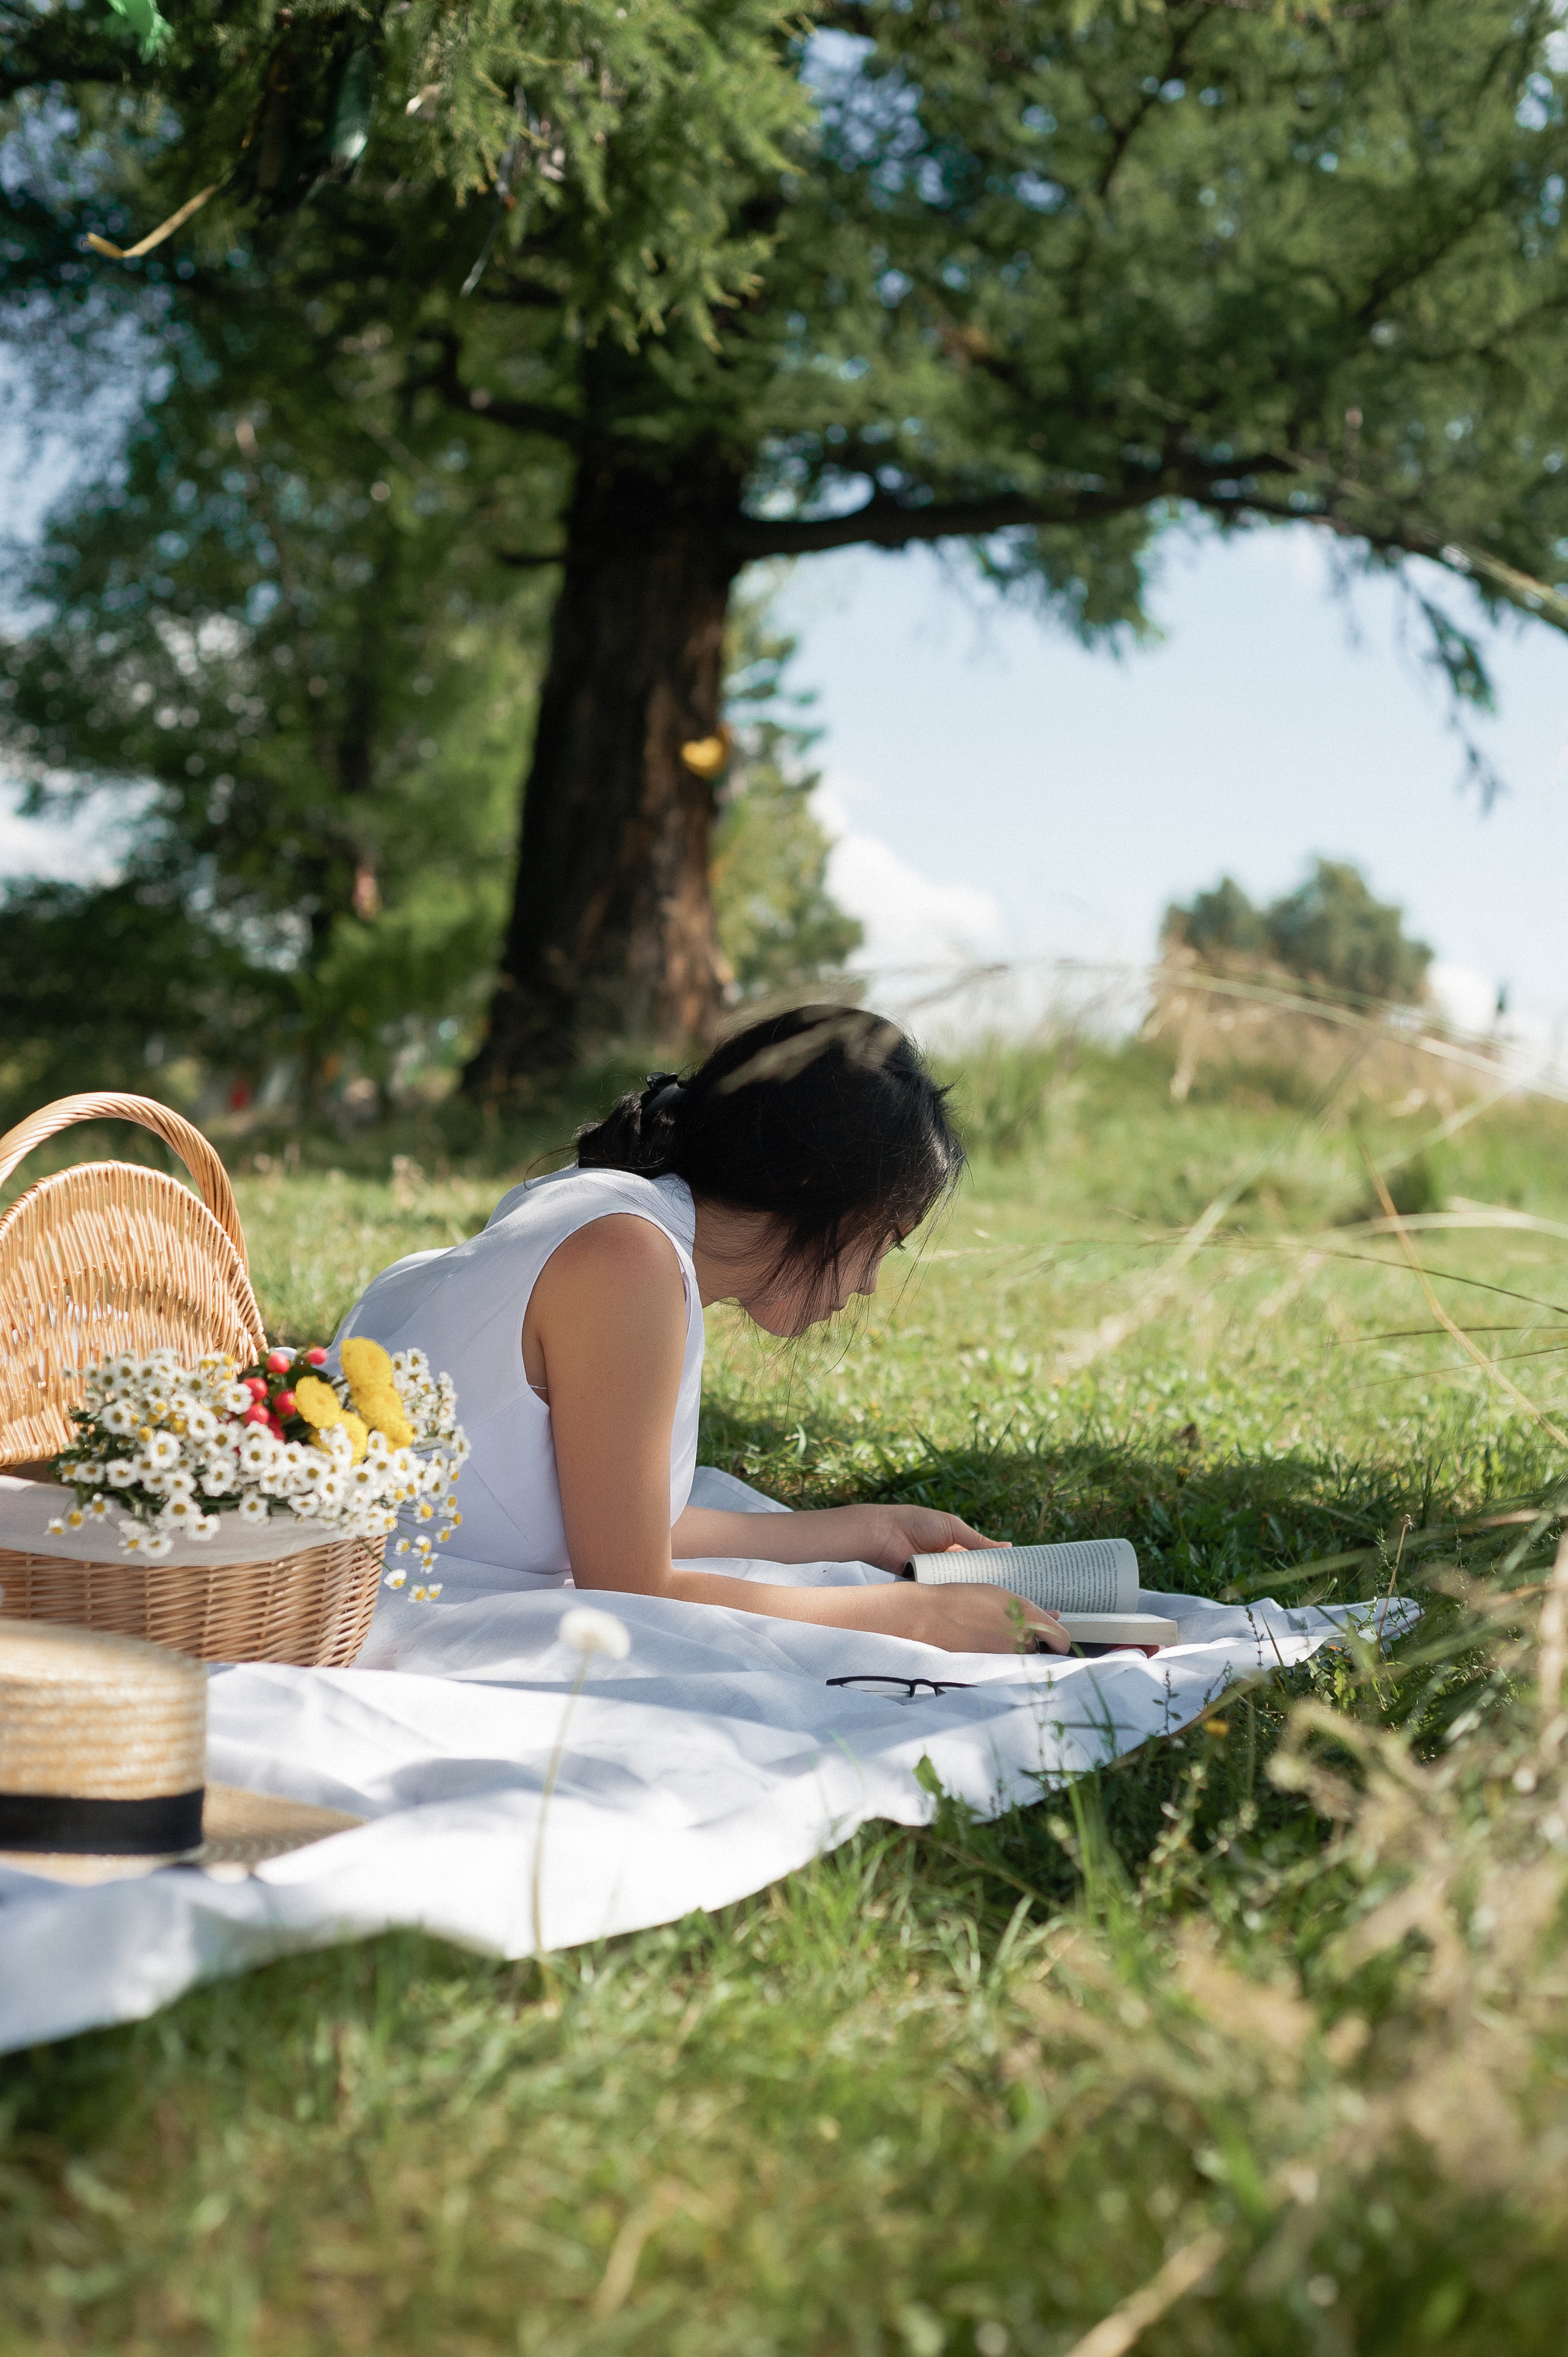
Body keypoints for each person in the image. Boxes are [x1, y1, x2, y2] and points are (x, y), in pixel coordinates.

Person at [338, 1004, 1066, 1654]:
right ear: (812, 1189)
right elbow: (630, 1587)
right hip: (346, 1596)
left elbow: (620, 1520)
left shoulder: (628, 1226)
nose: (871, 1280)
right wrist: (914, 1617)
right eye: (885, 1238)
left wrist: (870, 1531)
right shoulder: (627, 1260)